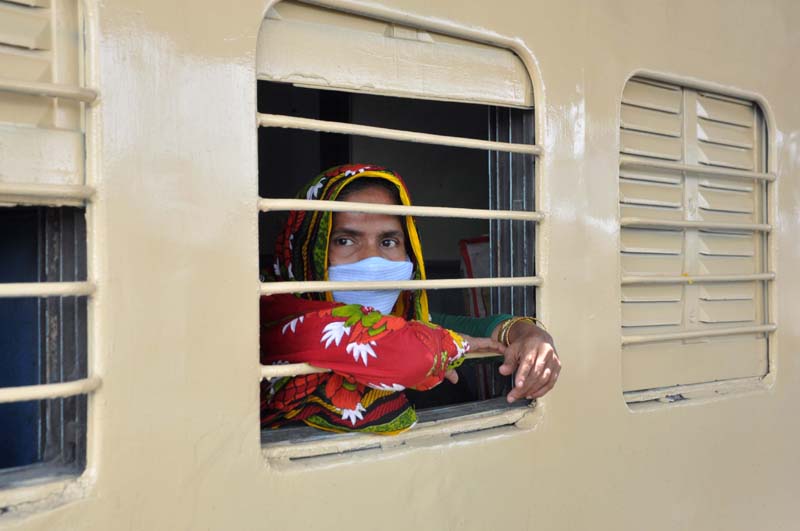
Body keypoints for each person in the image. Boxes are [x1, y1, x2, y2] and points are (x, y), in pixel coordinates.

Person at [261, 164, 559, 434]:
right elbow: (412, 353)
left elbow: (484, 332)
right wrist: (448, 346)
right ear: (305, 249)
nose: (372, 259)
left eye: (388, 241)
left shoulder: (411, 323)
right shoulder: (275, 321)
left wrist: (528, 334)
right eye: (344, 240)